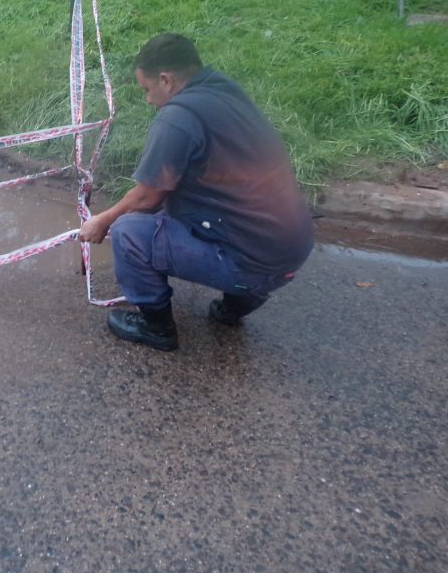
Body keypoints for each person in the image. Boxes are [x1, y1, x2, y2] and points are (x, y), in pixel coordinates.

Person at [78, 33, 314, 351]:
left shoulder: (177, 118)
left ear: (166, 80)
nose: (147, 100)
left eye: (147, 90)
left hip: (252, 262)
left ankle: (155, 326)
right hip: (291, 246)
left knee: (129, 232)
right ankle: (233, 307)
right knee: (178, 203)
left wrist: (102, 221)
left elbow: (147, 198)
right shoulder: (223, 89)